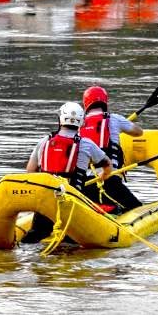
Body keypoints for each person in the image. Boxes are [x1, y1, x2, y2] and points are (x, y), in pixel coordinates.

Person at [24, 101, 112, 243]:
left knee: (34, 236)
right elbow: (108, 165)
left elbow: (30, 172)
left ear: (60, 119)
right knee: (72, 241)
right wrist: (103, 176)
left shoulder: (44, 141)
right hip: (72, 202)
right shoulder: (87, 144)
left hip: (45, 201)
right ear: (81, 122)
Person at [79, 86, 144, 213]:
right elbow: (138, 132)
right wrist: (122, 125)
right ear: (105, 102)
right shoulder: (114, 118)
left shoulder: (78, 124)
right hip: (110, 180)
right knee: (137, 209)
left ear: (85, 104)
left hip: (84, 184)